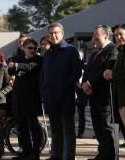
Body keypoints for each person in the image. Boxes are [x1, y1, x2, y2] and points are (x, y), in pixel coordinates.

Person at [40, 23, 82, 160]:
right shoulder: (47, 53)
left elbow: (76, 73)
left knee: (68, 131)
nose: (53, 35)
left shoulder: (71, 50)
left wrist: (63, 86)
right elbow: (43, 75)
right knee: (56, 131)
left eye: (56, 32)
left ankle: (69, 157)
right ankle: (56, 156)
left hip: (65, 97)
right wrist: (44, 88)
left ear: (62, 34)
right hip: (50, 97)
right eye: (51, 33)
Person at [82, 25, 119, 160]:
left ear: (106, 36)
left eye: (96, 34)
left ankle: (110, 156)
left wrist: (90, 83)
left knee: (107, 129)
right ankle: (102, 154)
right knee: (98, 129)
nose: (94, 37)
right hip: (93, 97)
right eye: (93, 35)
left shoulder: (113, 49)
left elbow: (106, 69)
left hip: (105, 98)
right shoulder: (95, 53)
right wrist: (85, 84)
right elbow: (87, 72)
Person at [8, 38, 43, 160]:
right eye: (30, 48)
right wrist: (20, 70)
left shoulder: (39, 59)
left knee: (33, 127)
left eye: (35, 48)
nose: (33, 50)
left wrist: (19, 67)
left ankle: (35, 152)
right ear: (23, 48)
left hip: (32, 98)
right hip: (18, 98)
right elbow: (10, 69)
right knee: (22, 127)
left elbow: (33, 67)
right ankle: (26, 150)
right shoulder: (18, 57)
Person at [104, 24, 125, 144]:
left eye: (121, 34)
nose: (118, 37)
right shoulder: (121, 50)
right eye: (116, 35)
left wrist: (113, 75)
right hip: (122, 98)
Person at [76, 49, 88, 139]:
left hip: (82, 92)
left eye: (79, 55)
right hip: (73, 91)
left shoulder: (85, 66)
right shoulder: (71, 65)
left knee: (81, 113)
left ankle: (81, 131)